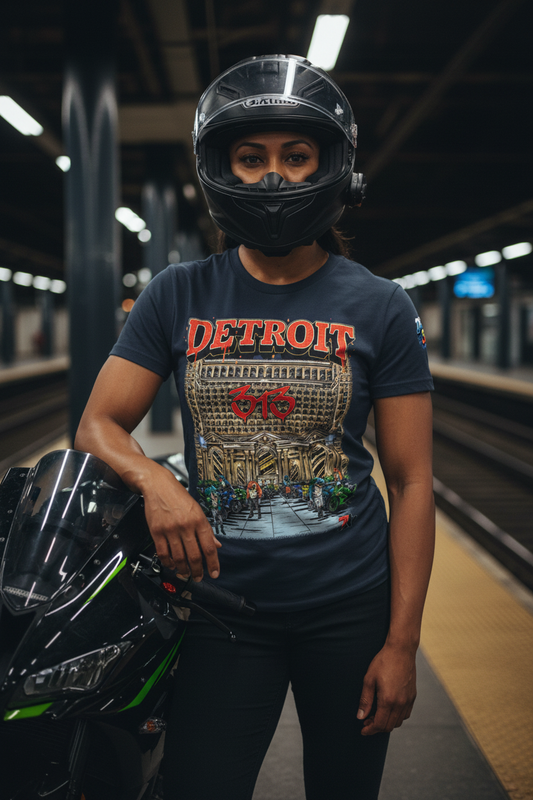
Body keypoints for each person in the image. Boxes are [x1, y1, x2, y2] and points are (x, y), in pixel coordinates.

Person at [75, 54, 435, 800]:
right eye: (250, 157)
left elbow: (409, 479)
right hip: (221, 609)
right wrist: (155, 485)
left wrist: (400, 644)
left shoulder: (379, 307)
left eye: (295, 156)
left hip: (349, 606)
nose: (273, 178)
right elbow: (100, 426)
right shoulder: (179, 294)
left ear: (330, 166)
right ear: (220, 170)